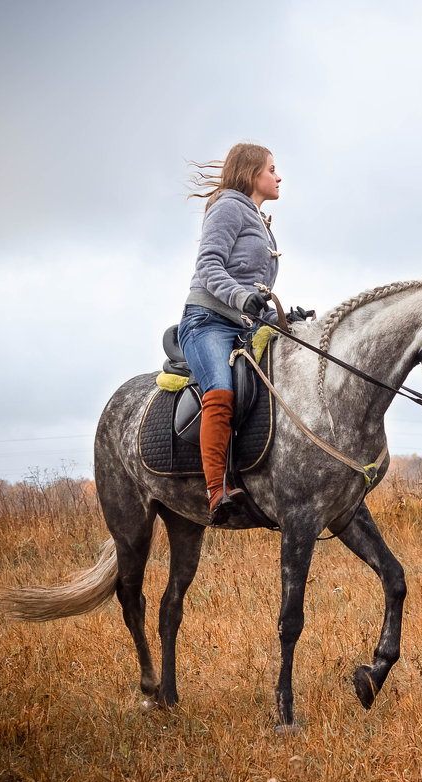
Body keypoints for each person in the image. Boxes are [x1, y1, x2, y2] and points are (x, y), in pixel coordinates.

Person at [178, 143, 282, 525]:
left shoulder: (259, 219)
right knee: (220, 391)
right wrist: (242, 297)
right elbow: (208, 265)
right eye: (272, 169)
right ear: (253, 173)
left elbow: (252, 291)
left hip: (242, 325)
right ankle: (216, 492)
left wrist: (278, 313)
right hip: (206, 321)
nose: (278, 176)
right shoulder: (228, 206)